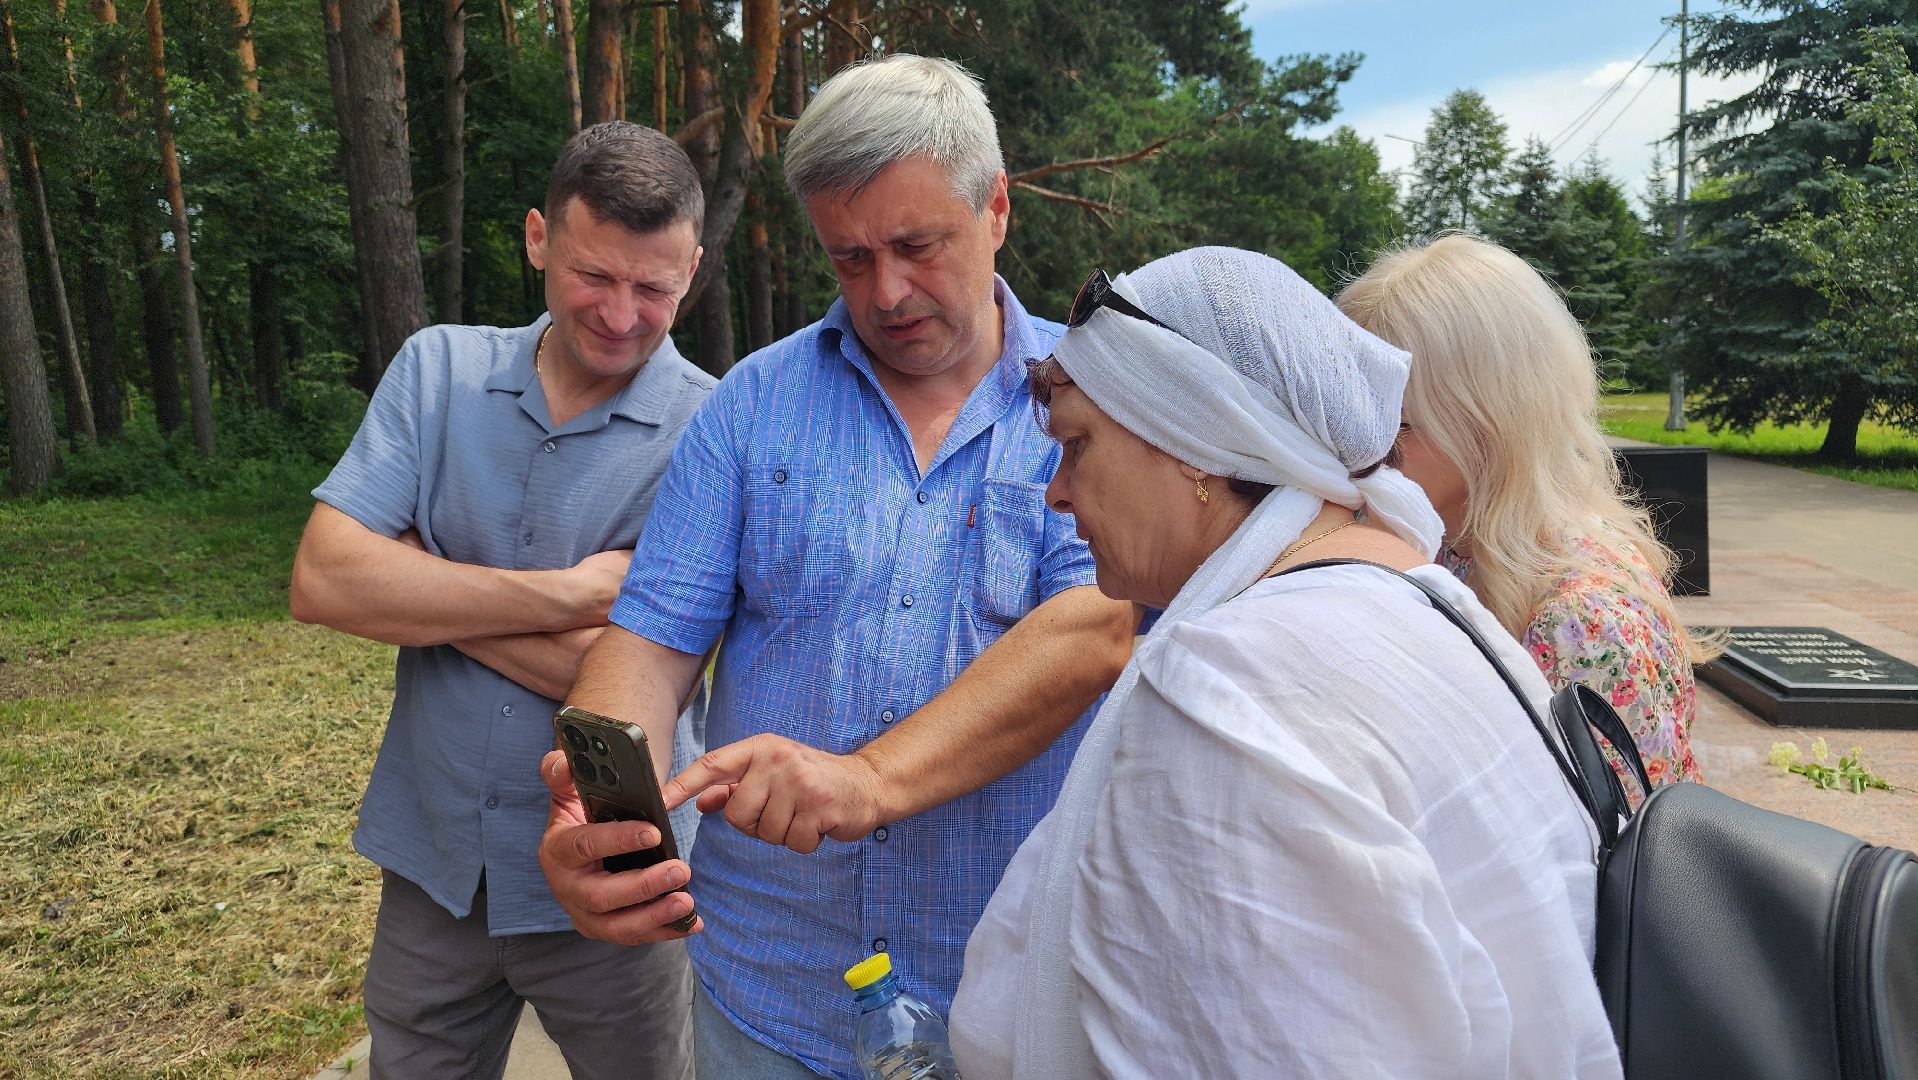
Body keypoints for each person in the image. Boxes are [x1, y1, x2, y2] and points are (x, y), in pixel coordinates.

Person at [533, 55, 1138, 1080]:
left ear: (995, 209)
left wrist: (868, 779)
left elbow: (1093, 627)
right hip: (771, 995)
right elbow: (652, 636)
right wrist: (601, 791)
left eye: (915, 245)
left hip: (1014, 997)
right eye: (849, 257)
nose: (886, 292)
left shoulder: (1094, 408)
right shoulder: (750, 405)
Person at [947, 247, 1622, 1079]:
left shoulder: (1227, 694)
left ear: (1192, 440)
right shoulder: (1425, 601)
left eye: (1078, 444)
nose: (1057, 490)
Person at [288, 122, 714, 1080]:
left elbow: (642, 674)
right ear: (537, 238)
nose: (620, 313)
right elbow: (322, 581)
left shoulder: (714, 428)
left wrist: (421, 582)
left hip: (621, 881)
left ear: (693, 268)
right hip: (434, 868)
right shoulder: (434, 369)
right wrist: (568, 595)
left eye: (654, 288)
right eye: (593, 276)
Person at [1336, 233, 1717, 801]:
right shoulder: (1460, 541)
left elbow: (1605, 863)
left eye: (1390, 418)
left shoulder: (1580, 622)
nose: (1354, 445)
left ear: (1487, 420)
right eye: (1342, 411)